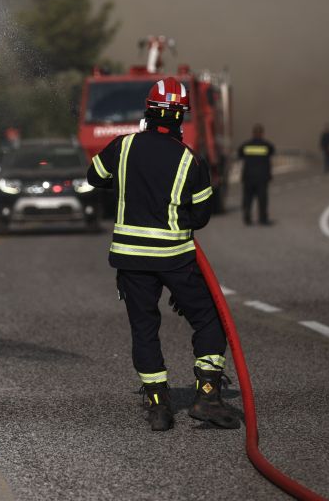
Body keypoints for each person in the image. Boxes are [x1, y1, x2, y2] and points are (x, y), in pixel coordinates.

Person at [87, 77, 239, 432]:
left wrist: (123, 180)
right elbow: (200, 217)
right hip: (175, 257)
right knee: (209, 318)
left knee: (144, 328)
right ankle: (207, 395)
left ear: (147, 112)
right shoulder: (190, 160)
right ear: (180, 117)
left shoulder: (122, 147)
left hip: (130, 259)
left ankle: (158, 406)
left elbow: (94, 177)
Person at [238, 124, 276, 225]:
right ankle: (262, 219)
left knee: (248, 198)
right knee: (262, 199)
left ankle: (247, 217)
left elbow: (239, 154)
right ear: (262, 134)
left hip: (248, 177)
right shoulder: (267, 146)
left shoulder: (245, 145)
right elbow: (272, 152)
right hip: (262, 177)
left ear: (253, 133)